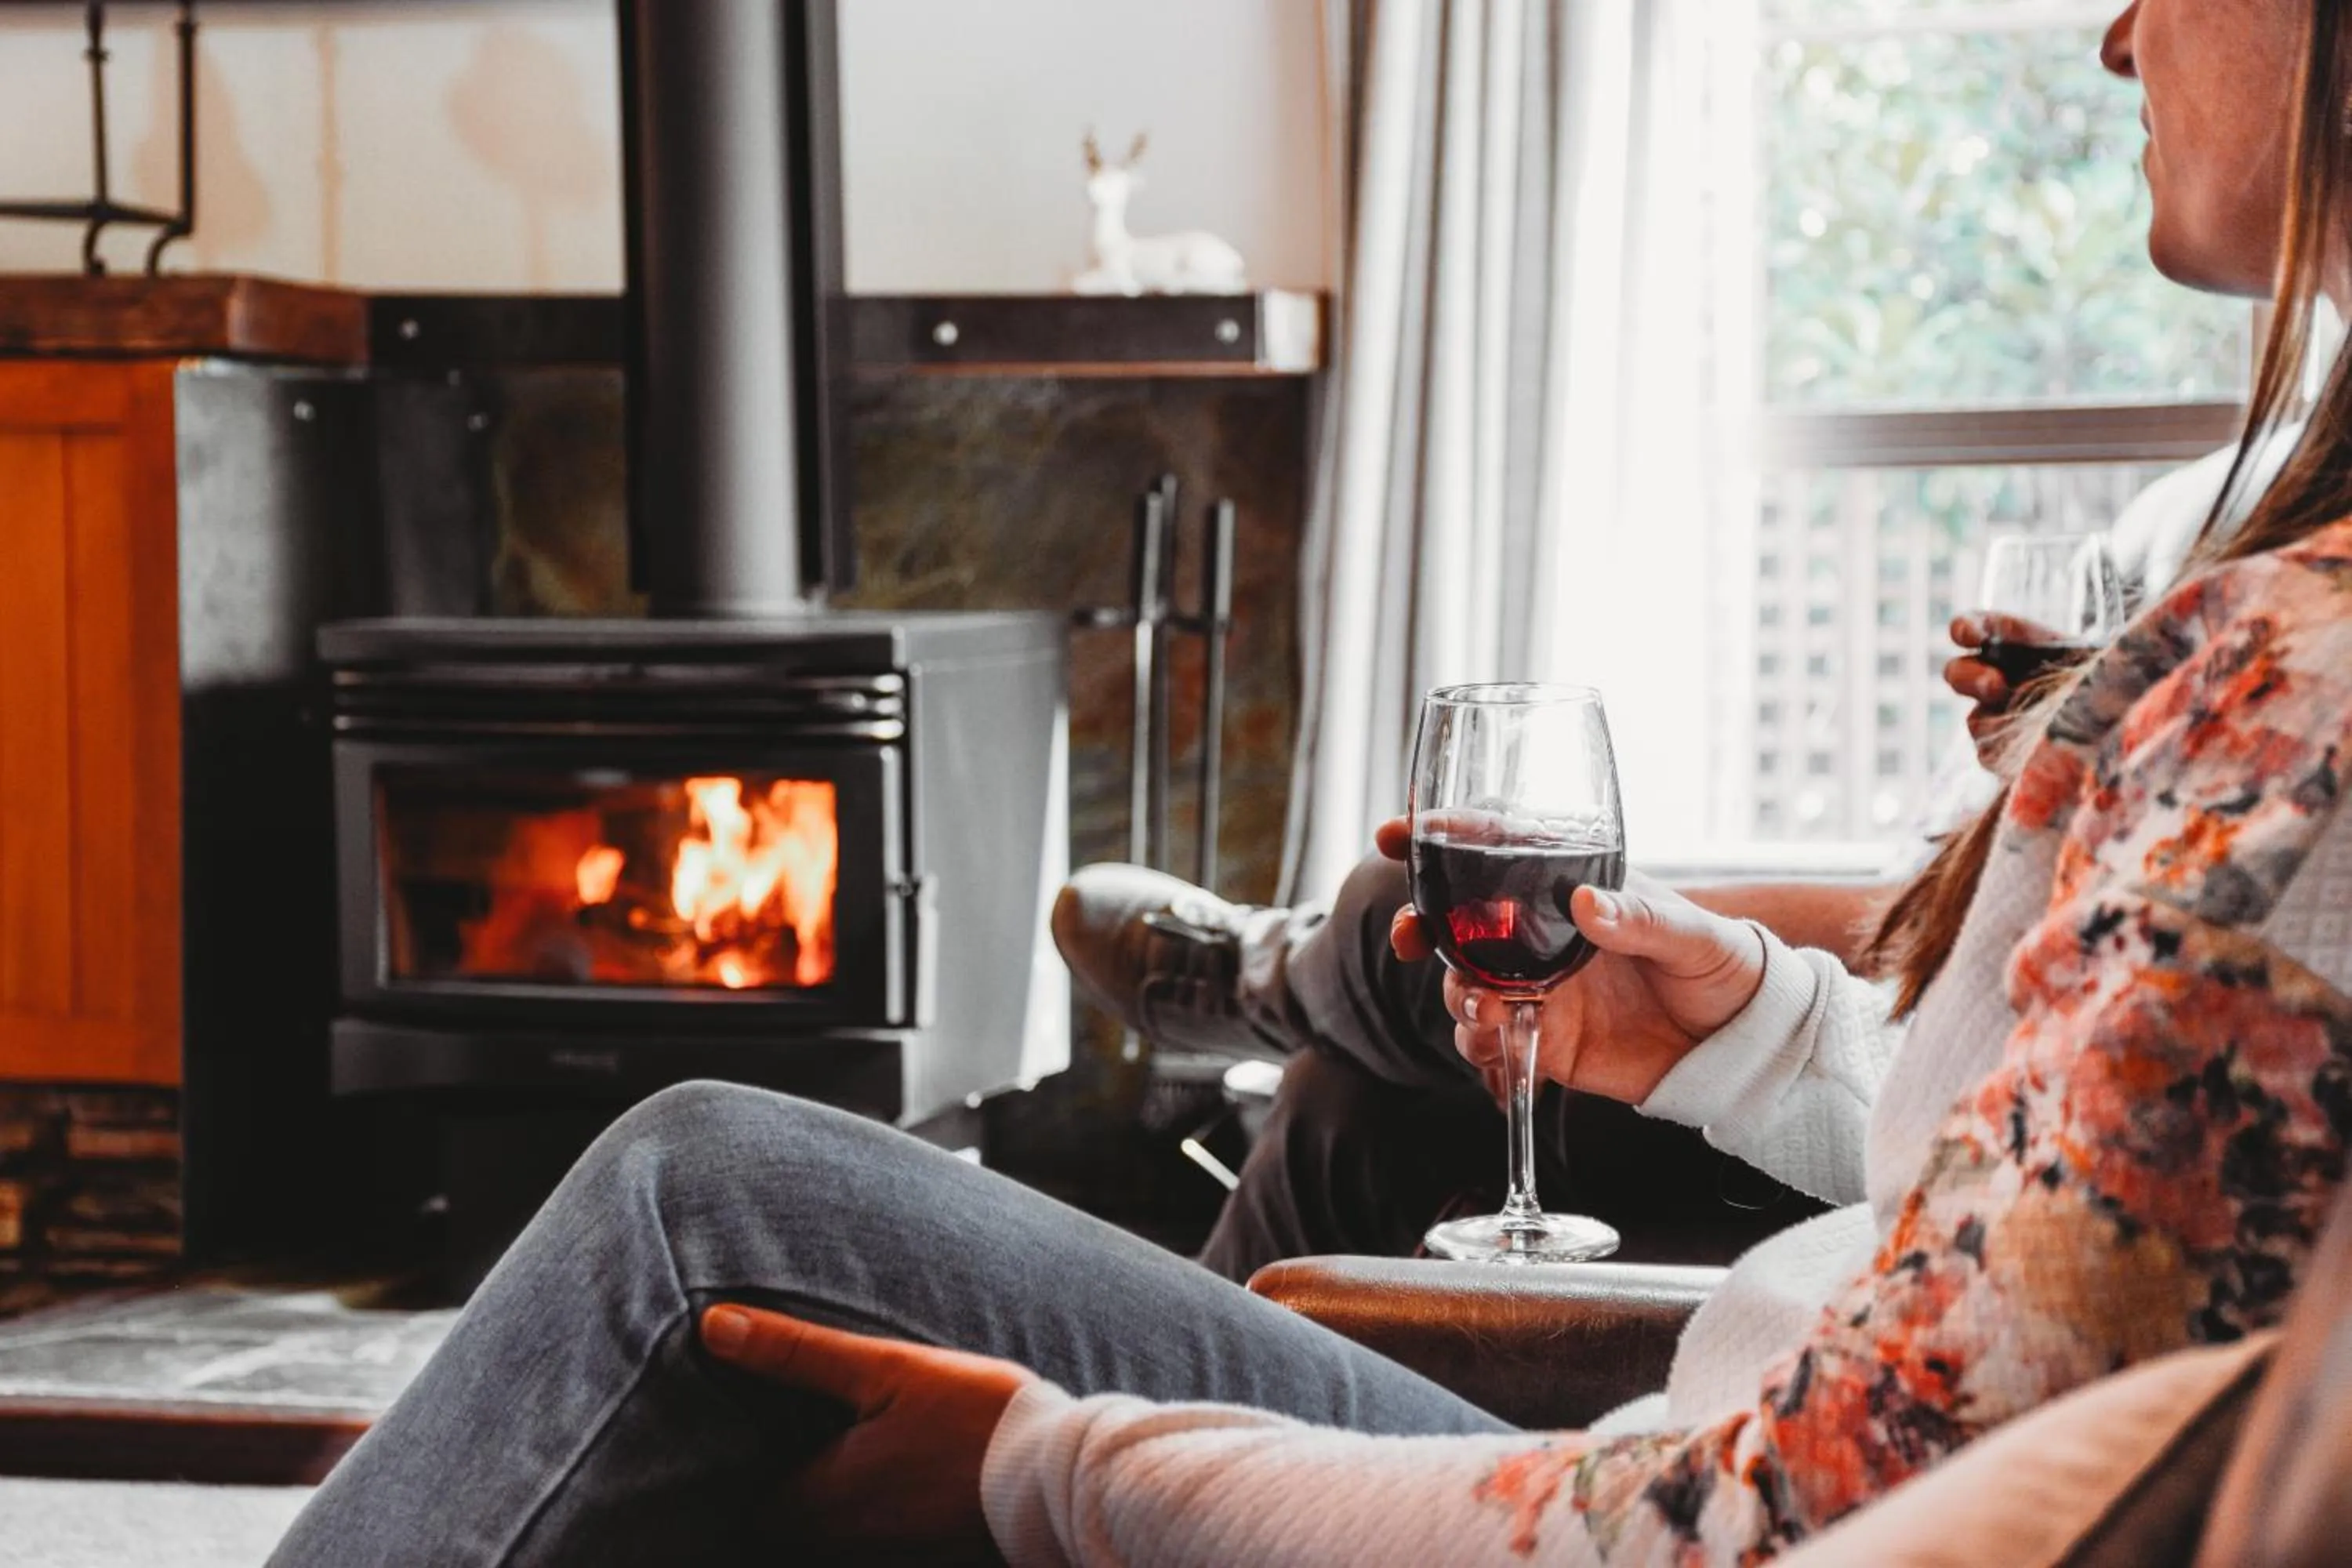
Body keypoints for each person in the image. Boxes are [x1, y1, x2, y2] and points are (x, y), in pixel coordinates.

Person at [271, 2, 2352, 1561]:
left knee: (698, 1201)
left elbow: (1785, 1515)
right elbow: (2089, 1252)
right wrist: (1762, 1035)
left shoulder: (2291, 700)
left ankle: (1262, 981)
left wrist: (1062, 1467)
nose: (2115, 34)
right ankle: (1275, 986)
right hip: (1715, 1411)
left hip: (1667, 1476)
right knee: (1343, 1089)